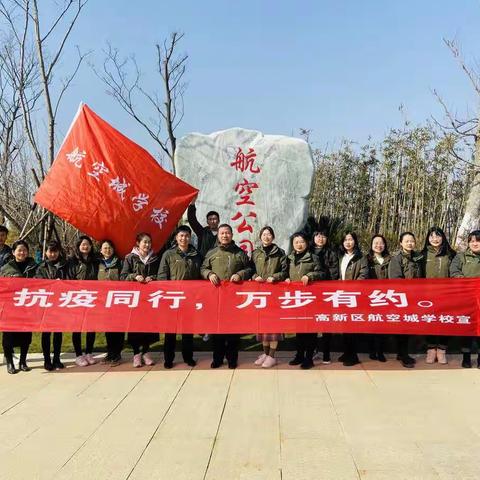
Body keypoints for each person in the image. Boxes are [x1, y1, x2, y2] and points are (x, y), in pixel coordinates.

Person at [201, 223, 253, 369]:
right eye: (222, 233)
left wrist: (240, 274)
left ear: (232, 235)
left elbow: (249, 268)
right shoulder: (211, 253)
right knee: (217, 331)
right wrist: (209, 274)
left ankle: (232, 359)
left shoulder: (239, 253)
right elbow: (203, 268)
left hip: (234, 299)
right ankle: (217, 358)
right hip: (216, 298)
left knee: (233, 332)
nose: (225, 235)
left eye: (227, 233)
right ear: (218, 235)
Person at [158, 225, 201, 368]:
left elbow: (200, 275)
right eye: (181, 235)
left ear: (190, 237)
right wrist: (167, 294)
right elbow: (162, 276)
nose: (184, 238)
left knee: (187, 331)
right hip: (173, 299)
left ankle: (188, 357)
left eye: (187, 236)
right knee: (170, 331)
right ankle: (168, 359)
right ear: (176, 237)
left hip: (190, 299)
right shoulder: (169, 254)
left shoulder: (196, 254)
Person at [287, 232, 326, 369]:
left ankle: (309, 358)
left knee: (310, 330)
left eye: (301, 241)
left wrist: (310, 276)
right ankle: (299, 355)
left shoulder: (313, 257)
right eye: (296, 242)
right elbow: (286, 272)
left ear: (307, 243)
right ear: (293, 244)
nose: (299, 244)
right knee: (298, 330)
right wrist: (286, 278)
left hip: (310, 299)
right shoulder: (290, 258)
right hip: (296, 299)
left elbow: (322, 273)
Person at [121, 232, 160, 367]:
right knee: (135, 326)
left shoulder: (154, 257)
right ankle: (136, 353)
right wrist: (134, 276)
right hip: (135, 297)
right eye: (144, 242)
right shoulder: (130, 258)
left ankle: (146, 351)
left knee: (148, 325)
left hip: (150, 297)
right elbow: (123, 276)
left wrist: (153, 278)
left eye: (149, 242)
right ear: (138, 243)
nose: (147, 245)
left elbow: (160, 274)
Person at [251, 226, 288, 368]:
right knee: (262, 326)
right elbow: (250, 269)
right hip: (260, 293)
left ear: (273, 237)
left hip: (274, 293)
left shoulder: (280, 253)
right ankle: (265, 354)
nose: (266, 237)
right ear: (260, 237)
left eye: (269, 234)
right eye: (264, 234)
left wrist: (275, 277)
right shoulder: (255, 253)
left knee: (273, 326)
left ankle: (272, 356)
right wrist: (255, 276)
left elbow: (285, 271)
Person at [0, 240, 37, 374]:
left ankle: (23, 361)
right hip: (10, 307)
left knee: (26, 336)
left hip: (27, 306)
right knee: (8, 336)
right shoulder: (5, 269)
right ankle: (10, 362)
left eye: (24, 250)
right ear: (13, 252)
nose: (22, 252)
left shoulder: (34, 267)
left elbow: (41, 283)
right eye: (19, 250)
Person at [388, 231, 424, 368]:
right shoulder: (396, 258)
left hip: (416, 297)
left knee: (409, 325)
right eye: (407, 241)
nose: (410, 243)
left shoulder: (418, 257)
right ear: (401, 243)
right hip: (402, 298)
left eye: (412, 241)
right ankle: (403, 354)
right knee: (402, 326)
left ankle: (401, 353)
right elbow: (395, 279)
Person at [422, 227, 455, 365]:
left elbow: (454, 273)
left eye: (438, 236)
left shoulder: (451, 254)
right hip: (427, 296)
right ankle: (431, 349)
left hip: (447, 295)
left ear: (443, 237)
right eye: (431, 236)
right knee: (429, 322)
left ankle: (442, 350)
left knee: (445, 321)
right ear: (427, 239)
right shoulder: (422, 255)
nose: (435, 239)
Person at [35, 240, 69, 371]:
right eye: (50, 251)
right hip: (46, 304)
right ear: (46, 252)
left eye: (55, 251)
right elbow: (38, 283)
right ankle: (47, 359)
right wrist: (50, 284)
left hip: (60, 303)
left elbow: (71, 280)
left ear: (59, 252)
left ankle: (57, 358)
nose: (53, 254)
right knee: (46, 333)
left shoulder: (65, 265)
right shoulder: (41, 267)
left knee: (58, 332)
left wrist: (63, 283)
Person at [450, 229, 480, 368]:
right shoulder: (461, 256)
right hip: (466, 298)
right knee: (466, 328)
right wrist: (466, 282)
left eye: (477, 240)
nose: (475, 243)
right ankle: (466, 357)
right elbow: (454, 271)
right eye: (472, 241)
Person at [338, 231, 368, 366]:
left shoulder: (361, 257)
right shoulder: (341, 257)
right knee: (344, 325)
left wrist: (352, 288)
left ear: (355, 241)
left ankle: (353, 355)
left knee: (353, 326)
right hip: (342, 295)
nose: (348, 242)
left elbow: (363, 275)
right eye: (345, 240)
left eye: (350, 239)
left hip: (354, 295)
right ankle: (346, 351)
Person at [68, 235, 99, 367]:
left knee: (91, 327)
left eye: (87, 244)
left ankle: (89, 352)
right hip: (78, 297)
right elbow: (69, 278)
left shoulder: (95, 261)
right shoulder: (73, 261)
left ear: (91, 246)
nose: (85, 247)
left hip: (92, 297)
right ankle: (78, 354)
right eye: (82, 245)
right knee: (77, 327)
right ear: (78, 247)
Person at [311, 229, 340, 364]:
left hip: (327, 292)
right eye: (317, 236)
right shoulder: (309, 252)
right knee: (311, 324)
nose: (320, 238)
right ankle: (313, 351)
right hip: (311, 292)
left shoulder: (332, 253)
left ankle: (326, 353)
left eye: (323, 236)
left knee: (326, 323)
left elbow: (334, 273)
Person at [98, 239, 124, 366]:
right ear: (100, 250)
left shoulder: (119, 262)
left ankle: (117, 354)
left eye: (109, 248)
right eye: (105, 248)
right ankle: (110, 352)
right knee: (108, 328)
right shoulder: (98, 263)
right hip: (104, 301)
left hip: (118, 300)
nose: (107, 250)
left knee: (118, 328)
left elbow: (124, 278)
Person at [365, 234, 390, 362]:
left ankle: (380, 351)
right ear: (371, 245)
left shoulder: (390, 259)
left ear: (385, 245)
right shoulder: (366, 259)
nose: (378, 245)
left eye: (381, 243)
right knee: (371, 324)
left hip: (386, 297)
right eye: (376, 243)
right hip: (370, 297)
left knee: (382, 326)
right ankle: (371, 350)